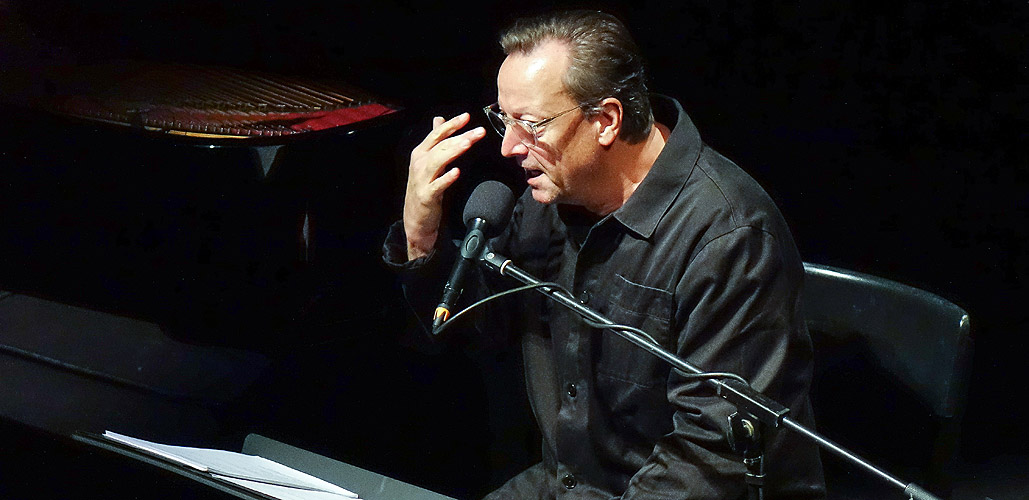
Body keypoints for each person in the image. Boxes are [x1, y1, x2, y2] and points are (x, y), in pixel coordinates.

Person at [383, 9, 826, 499]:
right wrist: (420, 233)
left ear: (606, 121)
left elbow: (711, 460)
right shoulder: (549, 203)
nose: (508, 147)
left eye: (530, 124)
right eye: (503, 119)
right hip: (571, 485)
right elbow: (474, 329)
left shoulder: (729, 237)